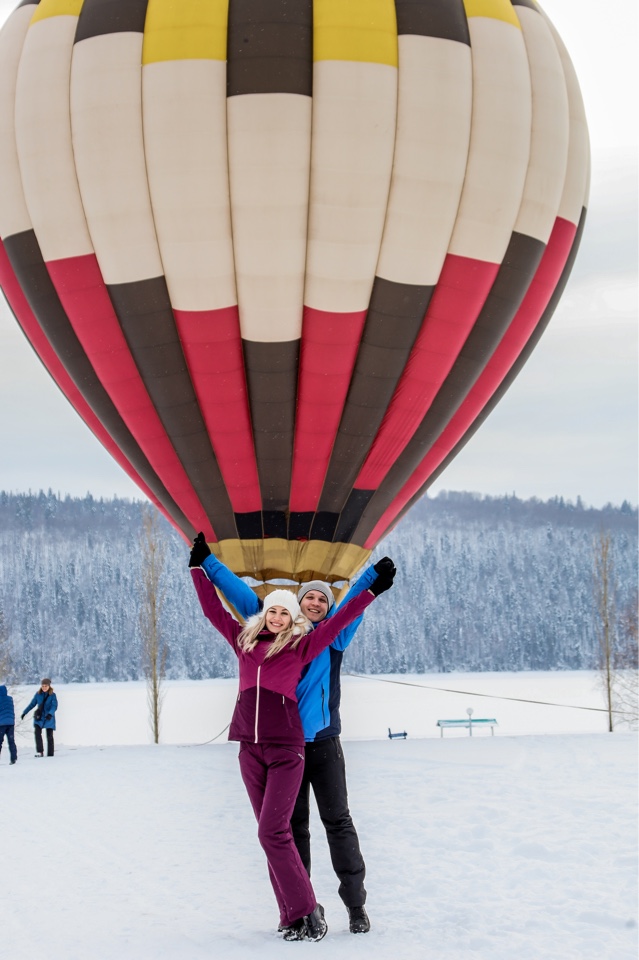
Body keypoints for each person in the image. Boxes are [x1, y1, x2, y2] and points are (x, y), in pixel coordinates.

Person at [189, 534, 395, 941]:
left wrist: (371, 581)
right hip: (268, 745)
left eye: (322, 599)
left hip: (312, 745)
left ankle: (354, 906)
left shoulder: (320, 640)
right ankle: (300, 911)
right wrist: (205, 564)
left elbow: (346, 609)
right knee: (287, 830)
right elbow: (237, 602)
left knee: (335, 823)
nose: (314, 604)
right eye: (307, 600)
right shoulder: (262, 633)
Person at [21, 678, 58, 757]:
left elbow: (54, 706)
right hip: (39, 717)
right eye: (43, 686)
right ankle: (40, 751)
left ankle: (50, 754)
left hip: (49, 718)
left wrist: (50, 714)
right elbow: (32, 704)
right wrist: (24, 712)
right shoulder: (38, 694)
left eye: (46, 686)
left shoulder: (52, 695)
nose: (44, 687)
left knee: (49, 736)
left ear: (49, 686)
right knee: (37, 733)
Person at [0, 684, 18, 765]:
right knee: (11, 741)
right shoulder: (10, 699)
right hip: (10, 723)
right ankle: (13, 758)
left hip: (1, 724)